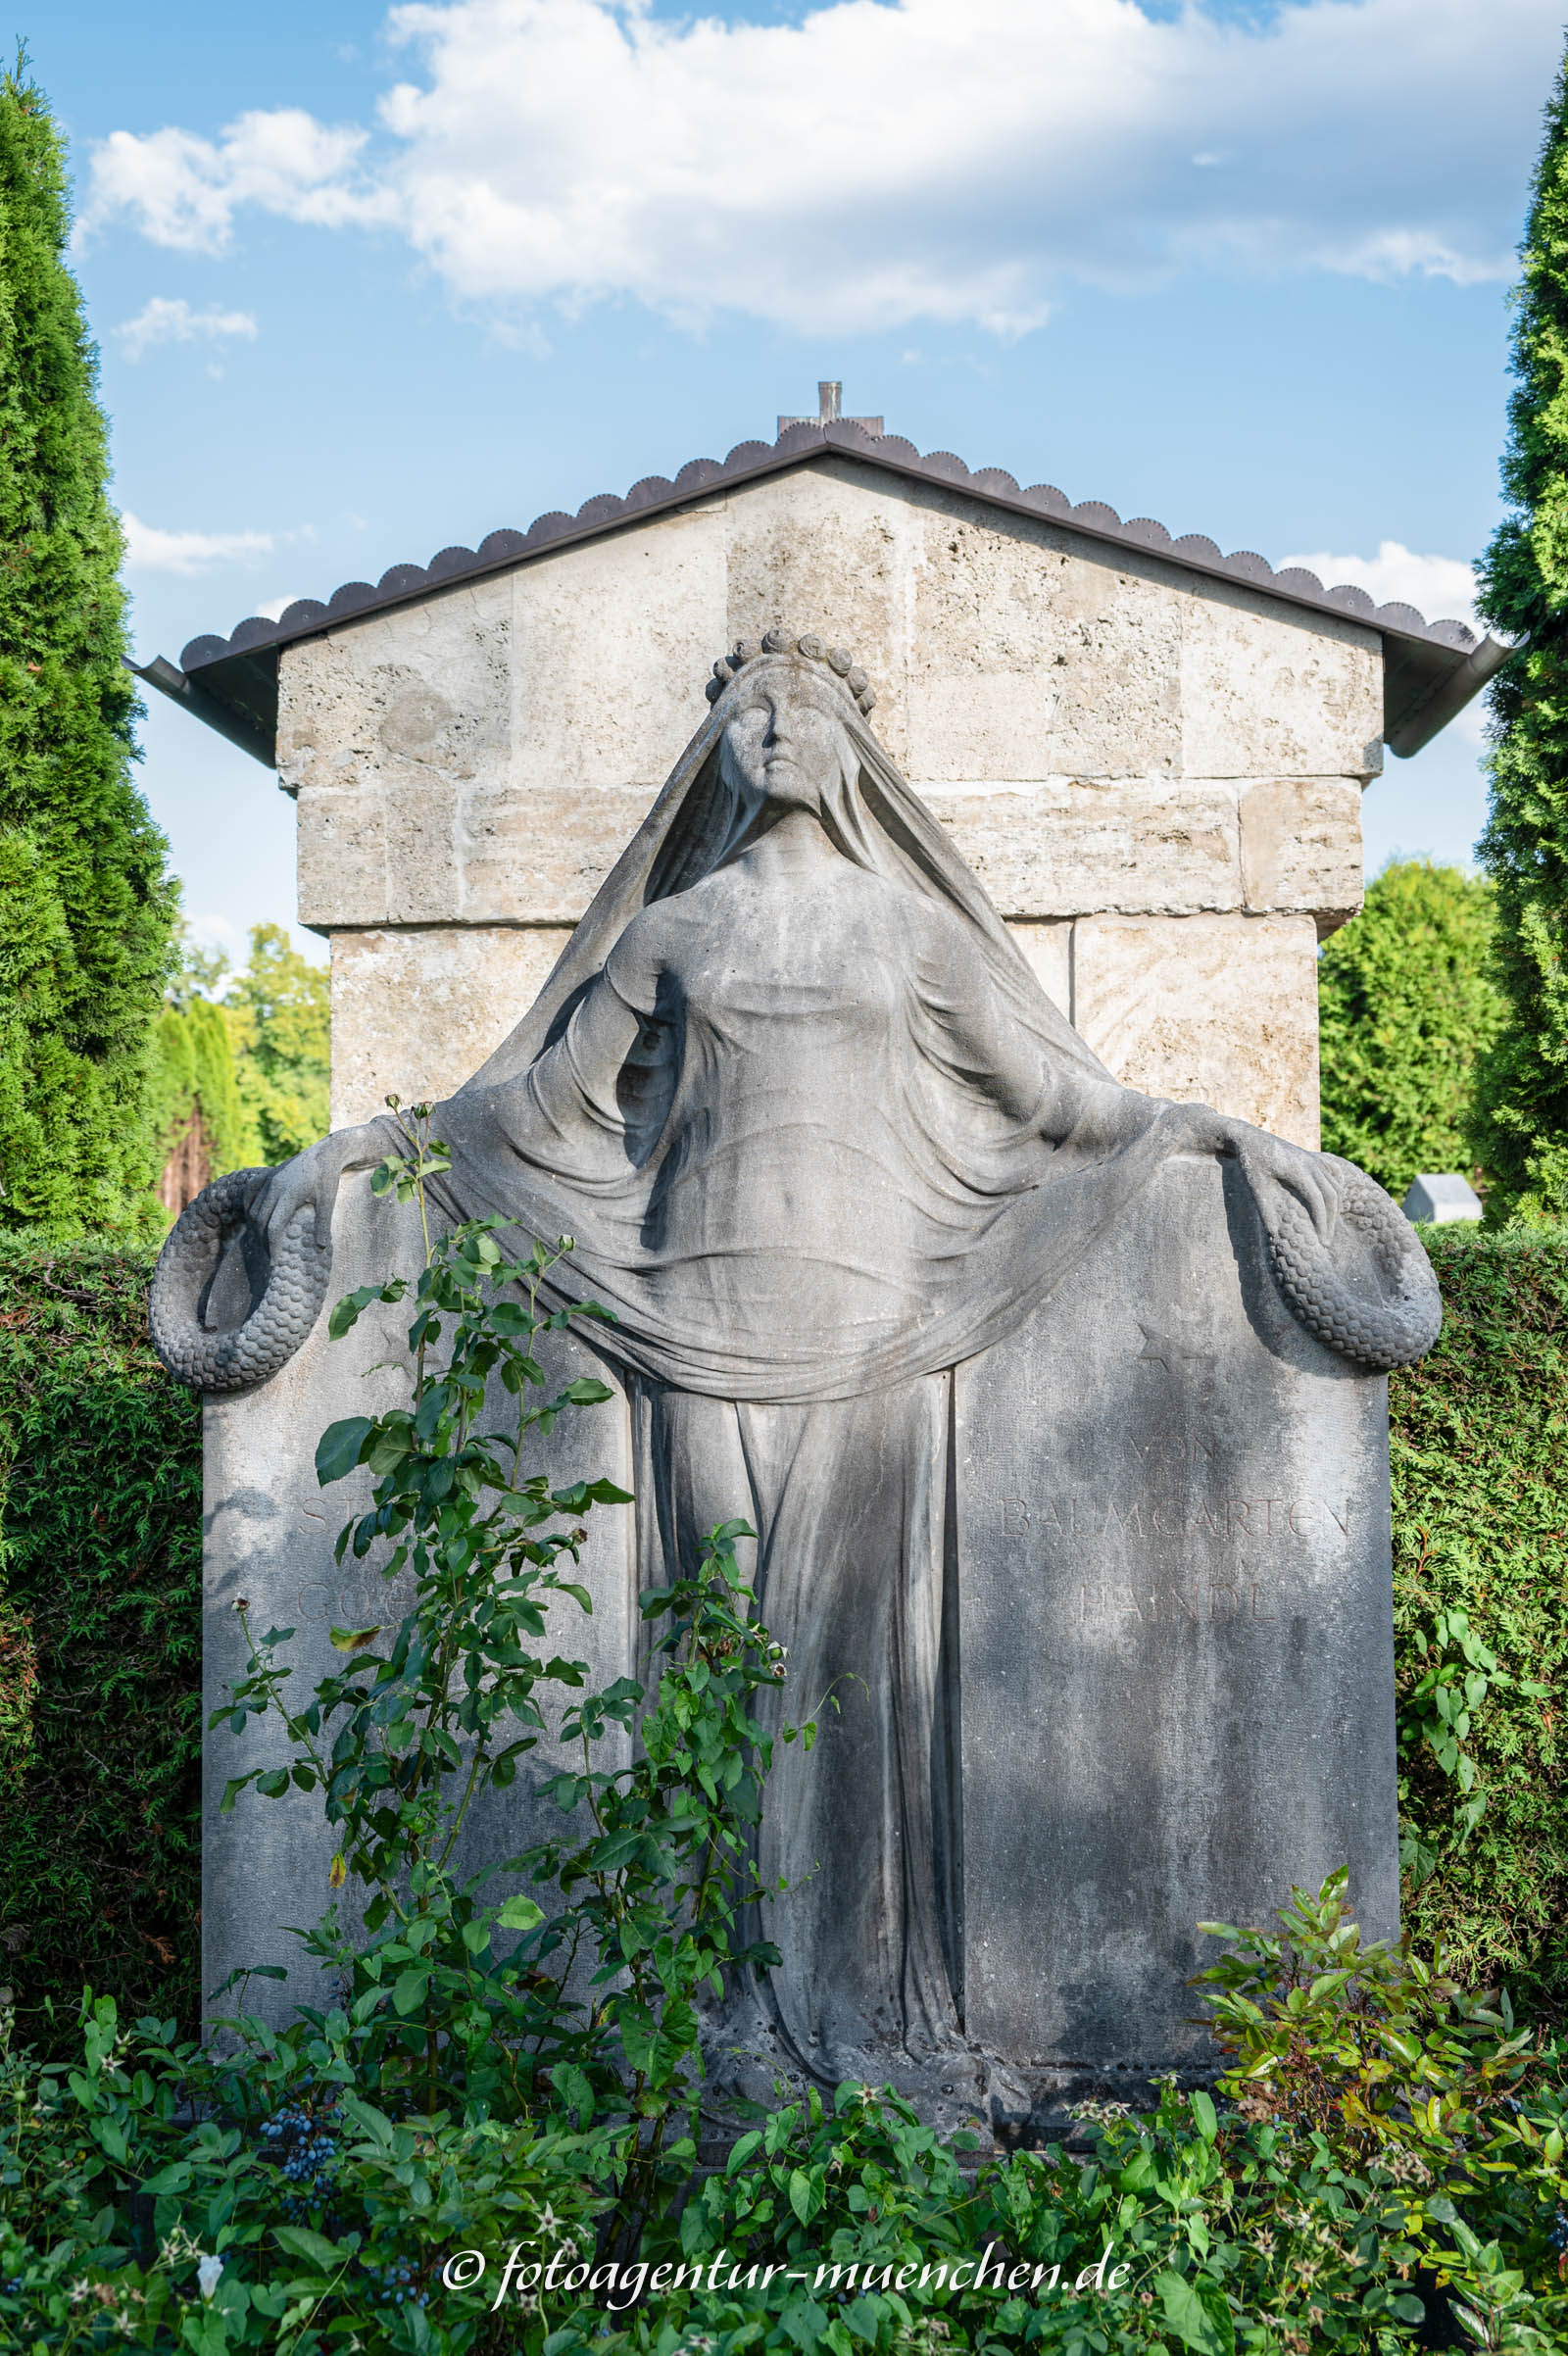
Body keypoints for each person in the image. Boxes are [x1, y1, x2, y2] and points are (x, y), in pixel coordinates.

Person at [201, 628, 1439, 2095]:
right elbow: (536, 1113)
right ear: (716, 752)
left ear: (856, 747)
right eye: (751, 710)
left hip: (874, 1337)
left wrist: (1203, 1129)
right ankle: (720, 2012)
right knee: (713, 1650)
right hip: (689, 1329)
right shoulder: (671, 934)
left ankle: (860, 2012)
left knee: (853, 1672)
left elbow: (1055, 1105)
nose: (778, 729)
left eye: (808, 708)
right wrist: (369, 1147)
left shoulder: (913, 936)